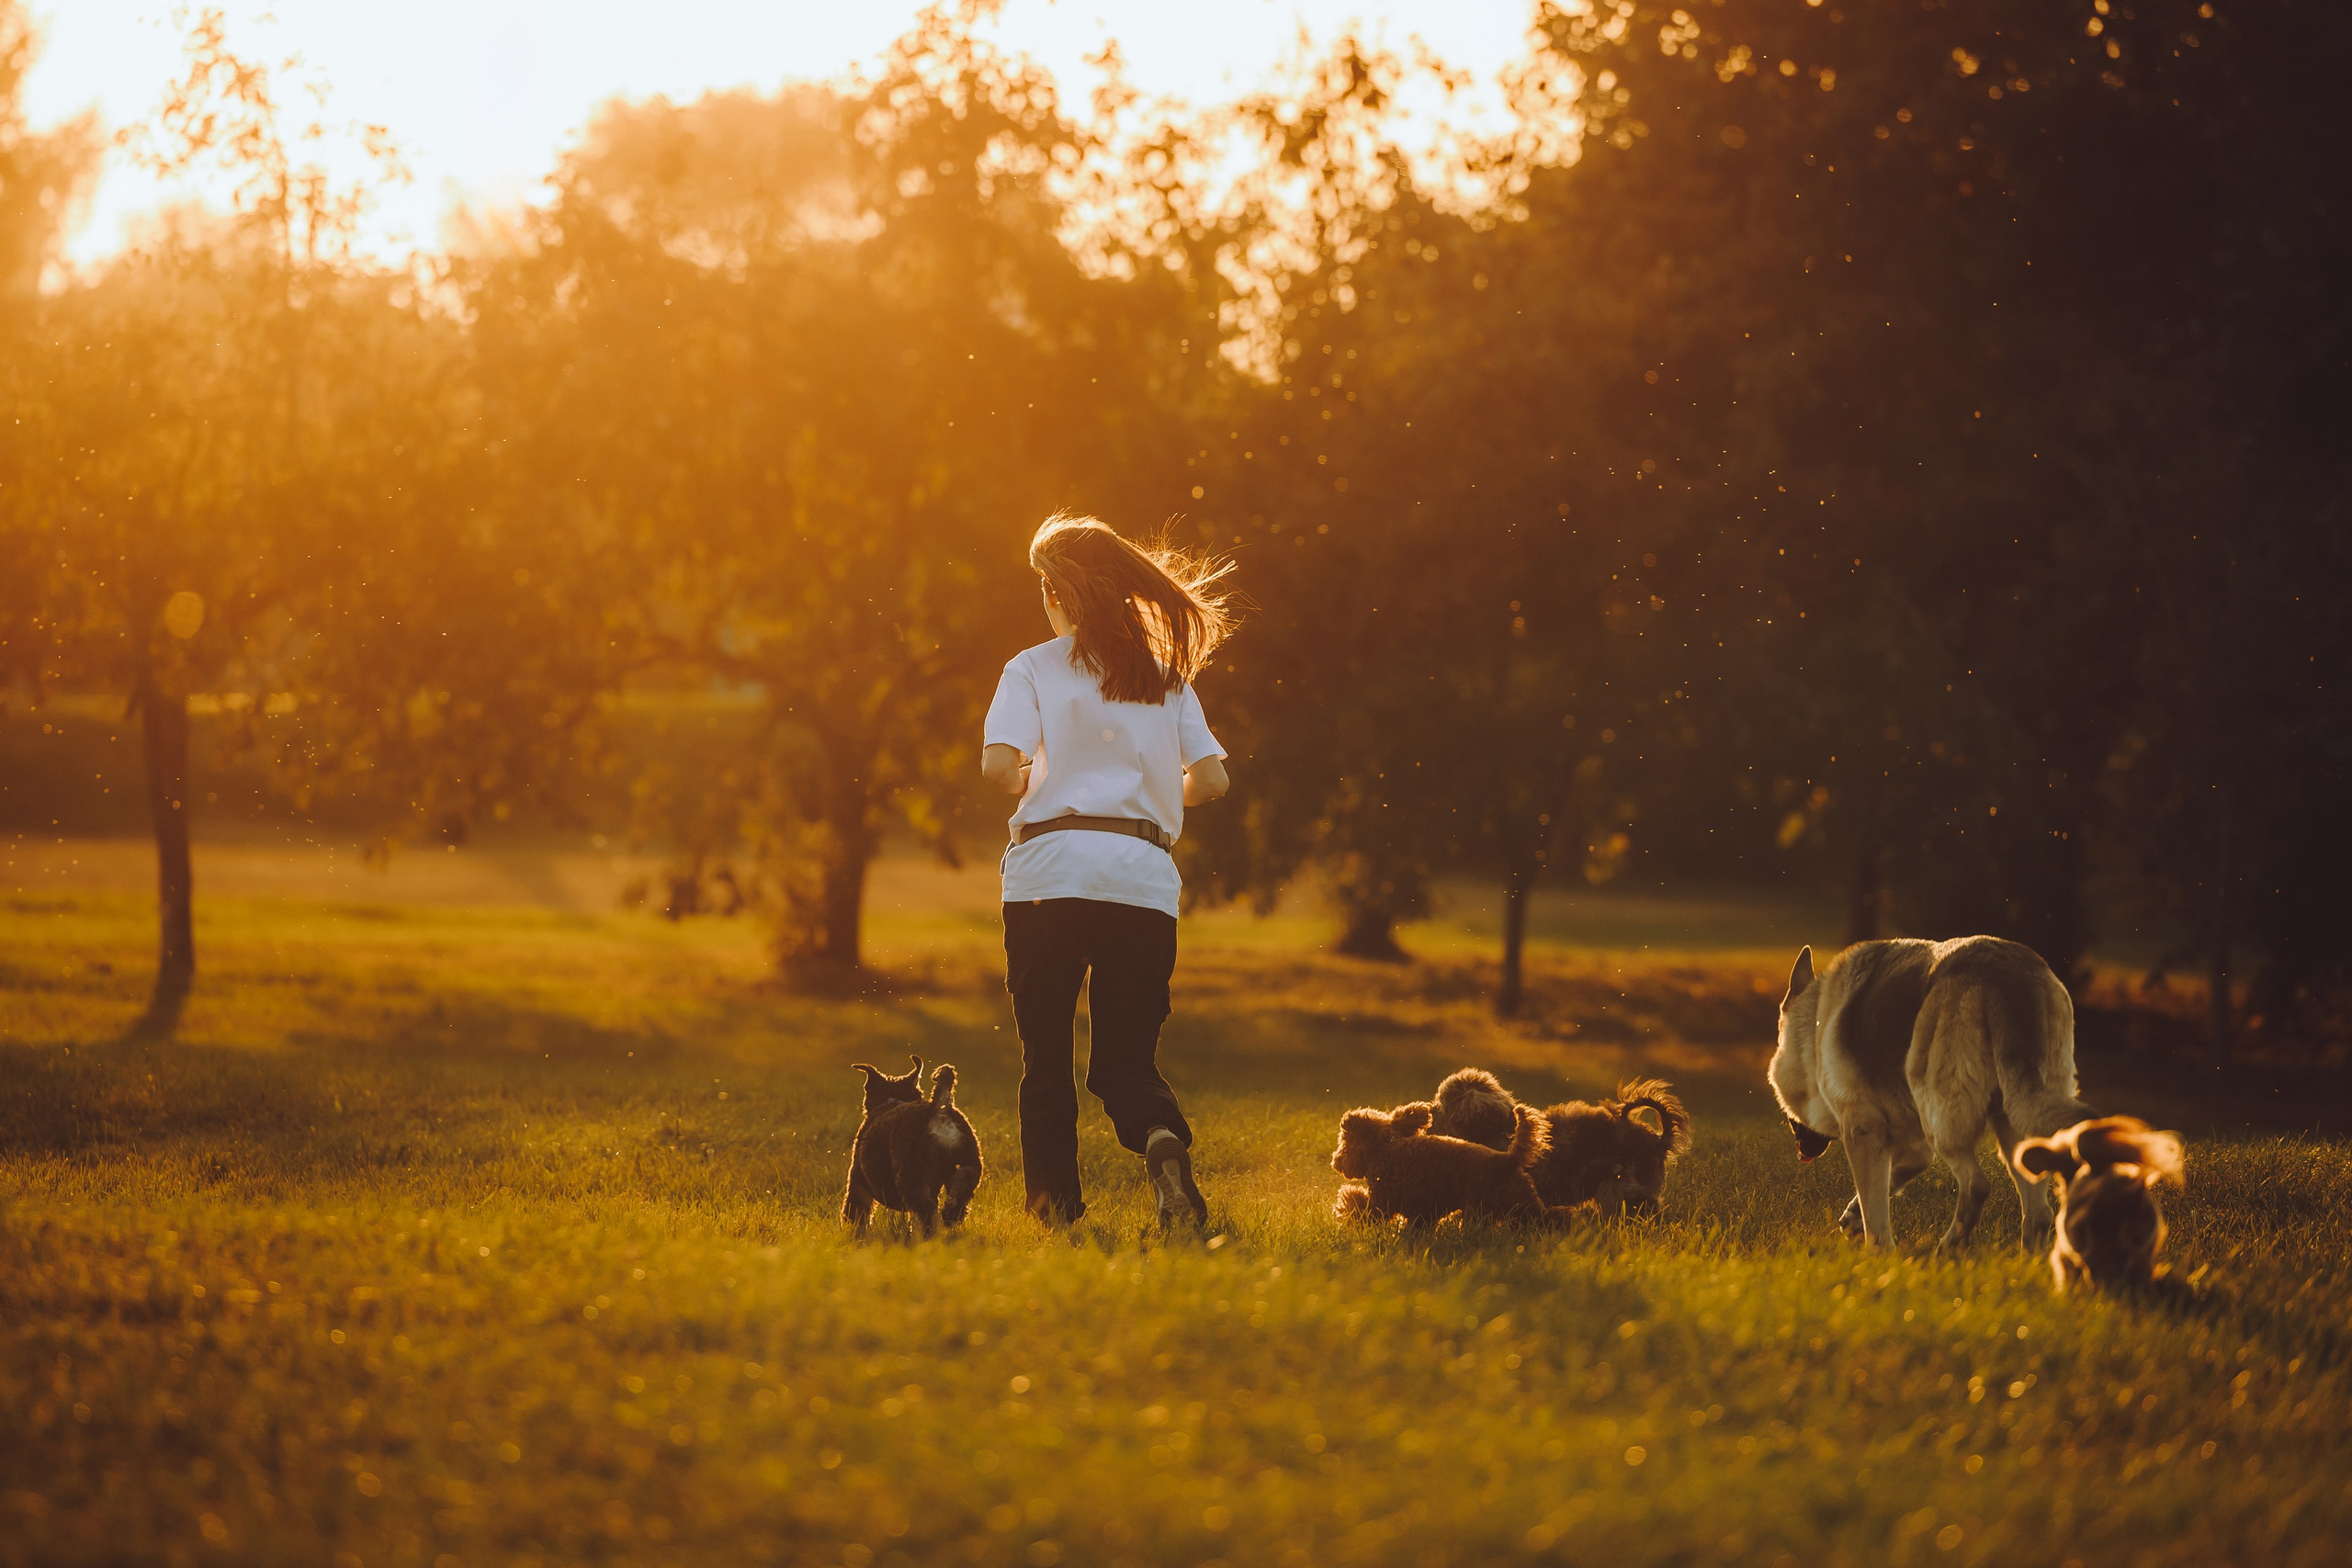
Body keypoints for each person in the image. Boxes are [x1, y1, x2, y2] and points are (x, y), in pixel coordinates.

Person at [981, 513, 1234, 1228]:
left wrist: (1039, 779)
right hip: (1140, 879)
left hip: (1047, 877)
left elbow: (999, 767)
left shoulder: (1030, 667)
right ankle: (1161, 1140)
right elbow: (1212, 780)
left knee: (1047, 1061)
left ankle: (1055, 1211)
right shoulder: (1166, 678)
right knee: (1125, 1060)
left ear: (1059, 591)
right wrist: (1153, 791)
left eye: (1043, 586)